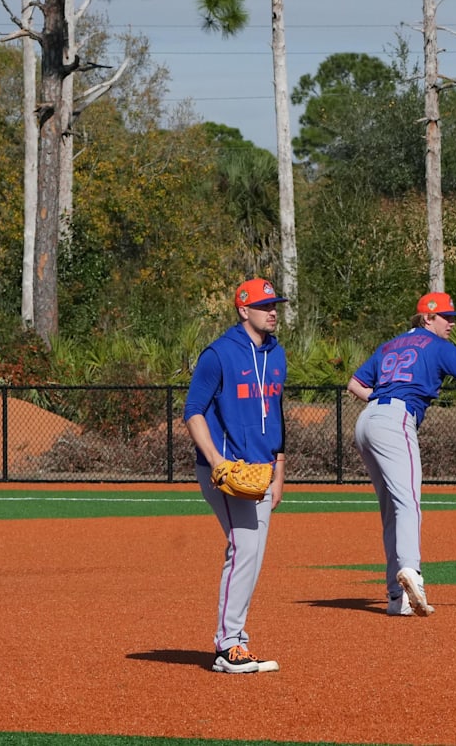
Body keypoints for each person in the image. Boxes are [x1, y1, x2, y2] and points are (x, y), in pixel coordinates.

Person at [347, 292, 456, 617]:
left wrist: (379, 398)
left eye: (453, 318)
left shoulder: (389, 345)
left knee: (392, 510)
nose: (451, 323)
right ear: (427, 318)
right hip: (395, 420)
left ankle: (397, 599)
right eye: (446, 317)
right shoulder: (437, 346)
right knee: (408, 502)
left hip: (366, 422)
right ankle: (412, 572)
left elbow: (354, 384)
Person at [184, 278, 288, 674]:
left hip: (262, 471)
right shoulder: (219, 354)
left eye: (275, 304)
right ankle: (228, 645)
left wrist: (279, 471)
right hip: (224, 471)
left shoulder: (277, 355)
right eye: (265, 305)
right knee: (244, 547)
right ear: (244, 310)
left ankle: (238, 641)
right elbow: (193, 410)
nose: (273, 310)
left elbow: (276, 415)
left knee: (254, 554)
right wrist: (214, 461)